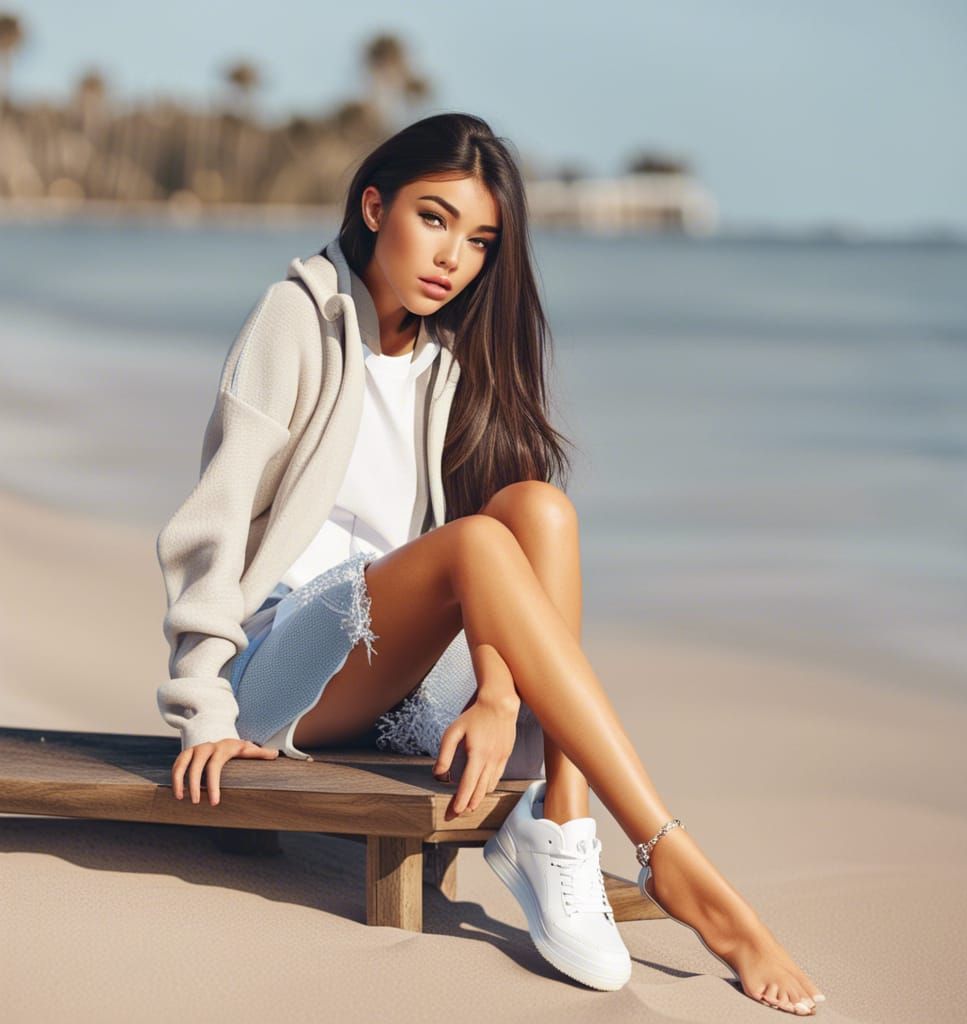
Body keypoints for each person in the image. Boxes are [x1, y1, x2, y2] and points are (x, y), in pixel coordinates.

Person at [156, 111, 826, 1014]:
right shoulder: (297, 316)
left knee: (537, 508)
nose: (451, 258)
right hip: (278, 667)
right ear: (374, 203)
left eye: (478, 240)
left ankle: (561, 826)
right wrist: (202, 710)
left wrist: (499, 694)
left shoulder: (445, 363)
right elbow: (214, 518)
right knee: (478, 539)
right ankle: (676, 863)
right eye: (434, 219)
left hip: (386, 671)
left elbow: (490, 565)